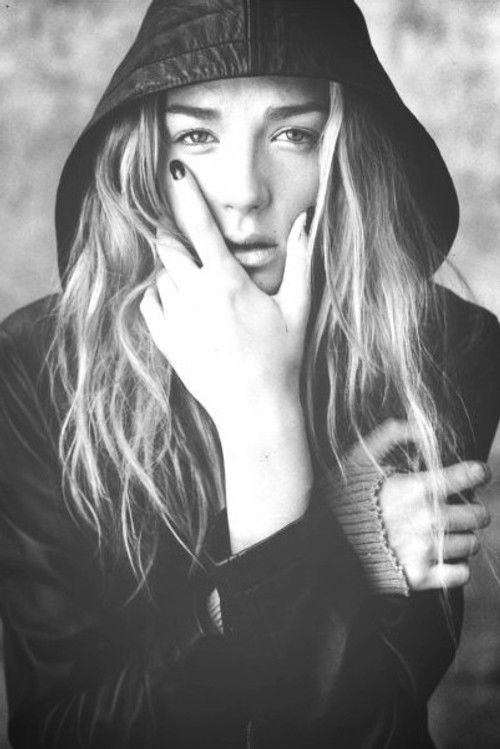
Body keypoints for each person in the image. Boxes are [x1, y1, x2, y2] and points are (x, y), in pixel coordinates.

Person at [0, 1, 499, 747]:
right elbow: (61, 730)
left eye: (293, 134)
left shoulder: (442, 347)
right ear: (143, 155)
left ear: (348, 153)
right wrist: (339, 539)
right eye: (196, 136)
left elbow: (367, 727)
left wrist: (263, 418)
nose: (244, 191)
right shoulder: (37, 365)